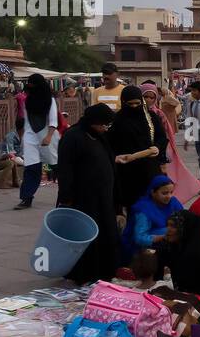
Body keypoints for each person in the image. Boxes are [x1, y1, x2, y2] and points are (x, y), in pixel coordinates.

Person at [55, 103, 119, 284]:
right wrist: (66, 197)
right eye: (104, 124)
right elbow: (65, 168)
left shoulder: (99, 136)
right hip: (83, 198)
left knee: (105, 233)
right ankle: (83, 273)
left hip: (103, 196)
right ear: (93, 121)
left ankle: (104, 271)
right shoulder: (73, 136)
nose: (106, 128)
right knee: (86, 236)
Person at [143, 81, 200, 204]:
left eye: (152, 97)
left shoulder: (158, 113)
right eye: (145, 97)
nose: (149, 100)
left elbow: (165, 135)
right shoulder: (137, 113)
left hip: (158, 151)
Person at [110, 85, 168, 213]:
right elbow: (110, 143)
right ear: (123, 102)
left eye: (138, 103)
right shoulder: (117, 120)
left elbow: (162, 138)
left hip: (149, 168)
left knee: (152, 204)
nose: (135, 107)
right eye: (130, 104)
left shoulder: (151, 117)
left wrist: (158, 148)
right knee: (133, 206)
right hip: (127, 170)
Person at [15, 73, 57, 210]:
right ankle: (26, 198)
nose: (30, 86)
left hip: (47, 135)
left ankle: (69, 195)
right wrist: (24, 138)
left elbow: (53, 120)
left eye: (33, 84)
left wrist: (49, 136)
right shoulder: (28, 100)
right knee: (31, 168)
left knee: (56, 166)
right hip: (30, 136)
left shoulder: (49, 100)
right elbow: (27, 120)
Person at [158, 210, 200, 296]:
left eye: (173, 226)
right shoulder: (168, 248)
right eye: (168, 225)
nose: (168, 230)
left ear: (185, 229)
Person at [121, 174, 182, 264]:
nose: (169, 196)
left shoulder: (173, 202)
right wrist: (164, 236)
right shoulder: (143, 209)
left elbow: (184, 219)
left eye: (171, 192)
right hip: (139, 249)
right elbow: (139, 238)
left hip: (165, 242)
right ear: (153, 192)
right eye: (164, 193)